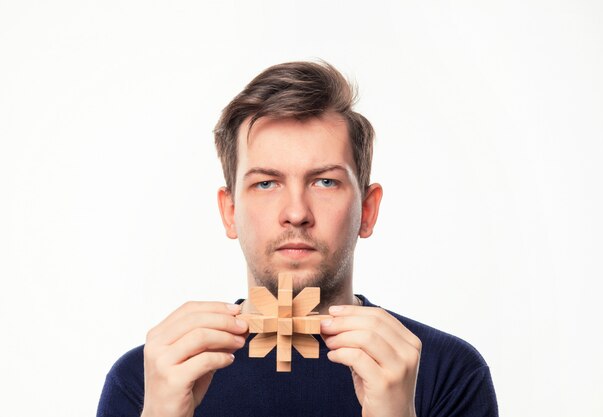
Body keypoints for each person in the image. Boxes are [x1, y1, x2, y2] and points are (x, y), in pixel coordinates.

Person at [97, 61, 498, 417]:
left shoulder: (446, 371)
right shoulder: (149, 378)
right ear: (230, 211)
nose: (296, 212)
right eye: (266, 183)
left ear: (368, 210)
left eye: (325, 181)